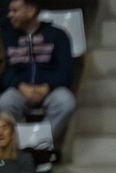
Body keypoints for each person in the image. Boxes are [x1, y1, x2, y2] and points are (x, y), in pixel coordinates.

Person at [0, 0, 75, 141]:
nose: (10, 15)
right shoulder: (6, 36)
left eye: (15, 11)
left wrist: (46, 87)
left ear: (31, 11)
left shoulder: (58, 35)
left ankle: (40, 143)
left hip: (50, 89)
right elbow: (3, 69)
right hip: (18, 88)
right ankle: (19, 147)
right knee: (4, 103)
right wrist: (21, 86)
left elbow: (65, 70)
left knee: (66, 102)